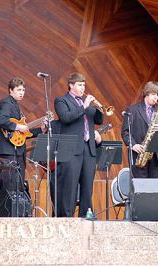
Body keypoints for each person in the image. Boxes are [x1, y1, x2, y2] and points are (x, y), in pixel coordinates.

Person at [54, 72, 103, 217]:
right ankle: (67, 219)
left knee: (87, 186)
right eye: (79, 85)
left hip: (88, 148)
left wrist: (99, 108)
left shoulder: (86, 103)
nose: (82, 88)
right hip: (72, 149)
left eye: (83, 85)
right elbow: (65, 118)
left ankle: (86, 216)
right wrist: (85, 106)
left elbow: (98, 120)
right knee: (70, 185)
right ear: (71, 85)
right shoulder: (62, 101)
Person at [0, 77, 45, 215]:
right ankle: (7, 216)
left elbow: (24, 133)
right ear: (11, 90)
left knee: (17, 186)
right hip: (8, 151)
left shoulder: (16, 106)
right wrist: (18, 126)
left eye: (23, 90)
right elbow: (2, 120)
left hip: (17, 151)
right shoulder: (6, 102)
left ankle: (15, 214)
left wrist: (41, 130)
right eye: (19, 90)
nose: (22, 92)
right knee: (9, 186)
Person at [121, 81, 158, 178]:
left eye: (157, 95)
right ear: (146, 93)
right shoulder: (132, 110)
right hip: (139, 154)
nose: (156, 97)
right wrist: (133, 145)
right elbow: (125, 132)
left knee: (155, 190)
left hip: (156, 157)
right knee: (140, 189)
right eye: (153, 94)